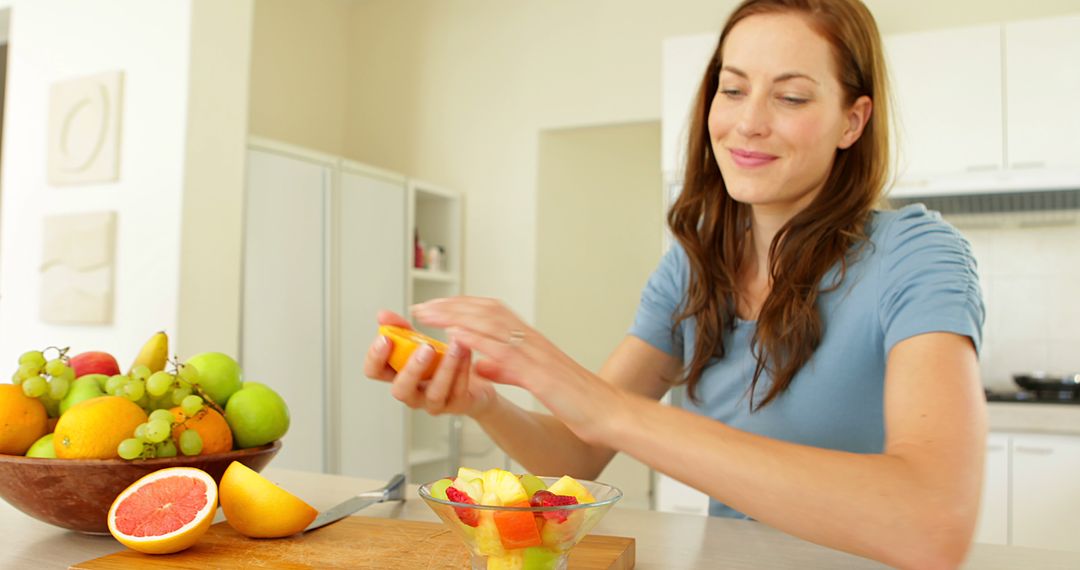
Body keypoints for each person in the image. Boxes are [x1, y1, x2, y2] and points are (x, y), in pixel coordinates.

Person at [363, 0, 986, 567]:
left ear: (852, 121)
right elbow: (578, 457)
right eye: (733, 89)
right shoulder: (693, 268)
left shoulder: (918, 256)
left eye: (791, 98)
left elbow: (932, 523)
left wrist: (601, 403)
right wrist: (484, 400)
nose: (748, 123)